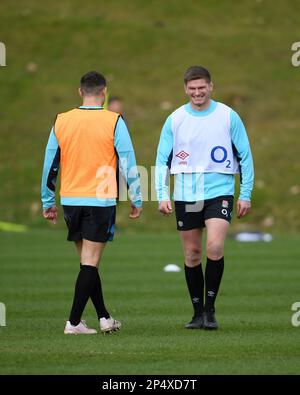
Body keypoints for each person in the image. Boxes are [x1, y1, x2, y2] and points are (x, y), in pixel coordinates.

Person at [41, 71, 142, 334]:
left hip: (71, 200)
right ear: (104, 91)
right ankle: (73, 322)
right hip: (100, 200)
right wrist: (136, 196)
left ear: (80, 92)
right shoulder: (114, 120)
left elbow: (50, 163)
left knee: (88, 262)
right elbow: (128, 161)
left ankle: (104, 318)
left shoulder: (61, 120)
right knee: (90, 263)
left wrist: (47, 200)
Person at [155, 66, 254, 330]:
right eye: (192, 88)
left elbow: (245, 155)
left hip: (219, 191)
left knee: (215, 248)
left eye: (202, 87)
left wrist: (245, 194)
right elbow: (162, 159)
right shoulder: (175, 119)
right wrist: (162, 194)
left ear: (211, 86)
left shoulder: (228, 116)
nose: (197, 92)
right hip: (187, 193)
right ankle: (197, 312)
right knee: (192, 253)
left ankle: (210, 310)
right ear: (185, 89)